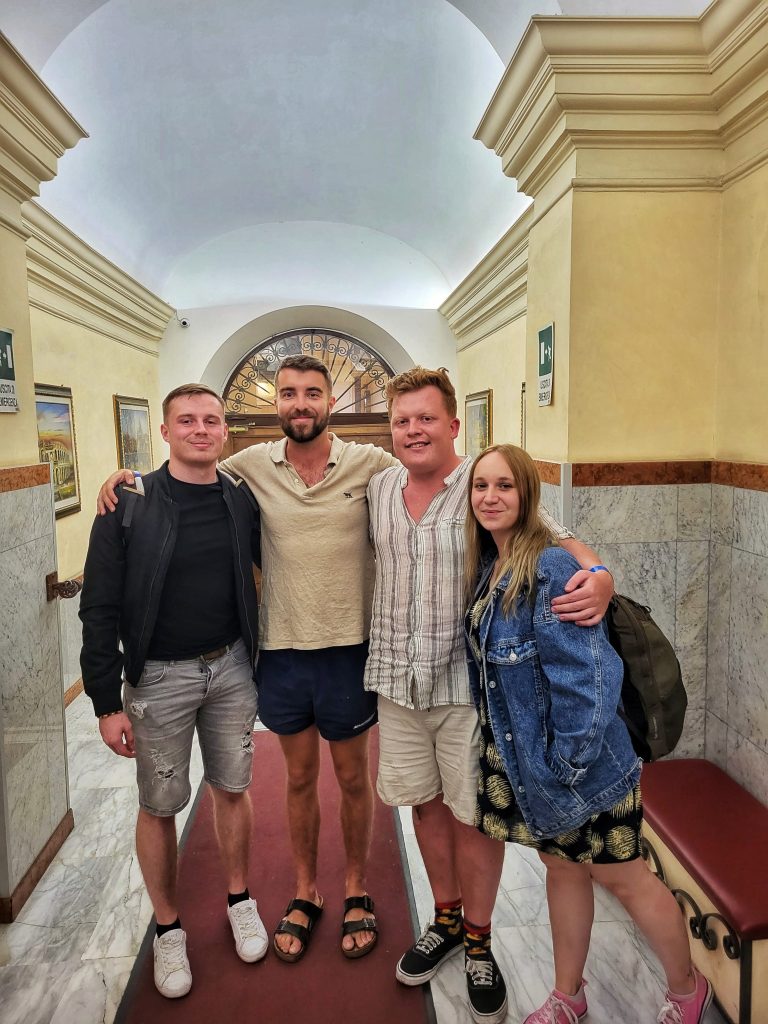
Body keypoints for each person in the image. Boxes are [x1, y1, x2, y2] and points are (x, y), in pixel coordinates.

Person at [97, 356, 396, 960]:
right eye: (288, 393)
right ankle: (304, 892)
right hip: (277, 652)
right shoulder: (247, 468)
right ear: (275, 404)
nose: (300, 403)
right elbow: (180, 473)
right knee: (296, 780)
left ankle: (356, 887)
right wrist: (121, 477)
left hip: (345, 651)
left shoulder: (372, 463)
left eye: (313, 392)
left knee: (351, 779)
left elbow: (444, 482)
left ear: (330, 401)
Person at [364, 368, 615, 1024]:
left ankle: (479, 940)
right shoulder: (379, 485)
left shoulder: (483, 483)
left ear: (453, 426)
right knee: (422, 807)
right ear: (391, 429)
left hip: (467, 687)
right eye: (402, 420)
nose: (413, 430)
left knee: (475, 817)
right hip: (395, 680)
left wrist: (600, 576)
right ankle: (444, 920)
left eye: (426, 418)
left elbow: (558, 540)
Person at [464, 443, 712, 1024]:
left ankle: (686, 990)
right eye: (481, 486)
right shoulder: (489, 564)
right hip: (532, 760)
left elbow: (590, 678)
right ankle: (568, 996)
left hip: (583, 763)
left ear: (528, 496)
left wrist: (568, 766)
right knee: (561, 868)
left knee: (625, 878)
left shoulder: (547, 567)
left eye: (505, 486)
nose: (491, 497)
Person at [80, 384, 265, 998]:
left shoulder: (240, 497)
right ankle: (168, 927)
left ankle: (239, 899)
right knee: (160, 805)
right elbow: (99, 607)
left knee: (232, 789)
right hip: (158, 679)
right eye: (186, 420)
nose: (200, 429)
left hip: (233, 668)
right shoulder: (128, 502)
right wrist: (106, 702)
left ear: (224, 431)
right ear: (164, 432)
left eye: (211, 420)